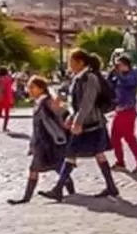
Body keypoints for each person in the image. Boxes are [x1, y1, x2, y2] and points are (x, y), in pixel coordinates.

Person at [39, 49, 119, 200]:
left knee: (81, 153)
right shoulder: (77, 78)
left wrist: (77, 121)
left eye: (71, 61)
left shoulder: (90, 78)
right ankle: (111, 187)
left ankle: (58, 189)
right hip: (84, 123)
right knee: (84, 153)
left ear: (80, 62)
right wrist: (70, 116)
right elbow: (74, 102)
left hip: (92, 124)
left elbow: (87, 103)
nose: (69, 64)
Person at [6, 76, 75, 204]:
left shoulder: (47, 102)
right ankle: (26, 198)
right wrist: (32, 145)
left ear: (41, 89)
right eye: (29, 87)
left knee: (59, 167)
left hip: (52, 142)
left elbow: (63, 112)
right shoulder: (39, 103)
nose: (29, 90)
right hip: (42, 143)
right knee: (35, 168)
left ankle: (71, 194)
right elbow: (36, 127)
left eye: (32, 87)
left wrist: (68, 118)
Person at [108, 55, 137, 172]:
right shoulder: (119, 76)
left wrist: (118, 74)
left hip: (128, 110)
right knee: (115, 137)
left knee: (129, 137)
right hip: (119, 110)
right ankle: (121, 162)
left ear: (126, 65)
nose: (118, 67)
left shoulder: (133, 74)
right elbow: (109, 85)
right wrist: (111, 74)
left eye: (120, 65)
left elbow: (128, 83)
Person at [0, 67, 15, 133]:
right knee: (7, 114)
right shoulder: (7, 79)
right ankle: (4, 128)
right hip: (6, 98)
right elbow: (9, 91)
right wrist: (11, 100)